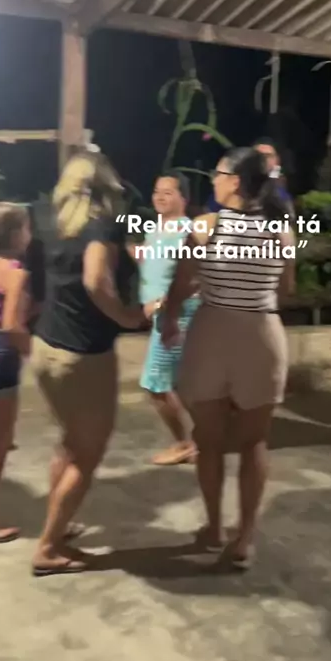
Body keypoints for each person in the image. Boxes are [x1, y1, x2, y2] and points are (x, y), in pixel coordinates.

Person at [161, 147, 295, 569]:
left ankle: (215, 526)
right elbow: (287, 289)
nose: (213, 181)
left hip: (212, 333)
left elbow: (181, 285)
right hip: (262, 335)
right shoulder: (281, 230)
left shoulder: (205, 227)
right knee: (254, 442)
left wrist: (168, 318)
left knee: (209, 439)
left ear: (235, 182)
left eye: (217, 174)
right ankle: (244, 538)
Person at [30, 151, 144, 577]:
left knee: (69, 442)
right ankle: (47, 548)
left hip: (47, 346)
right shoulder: (100, 224)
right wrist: (128, 317)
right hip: (84, 355)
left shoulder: (53, 221)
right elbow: (96, 280)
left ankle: (58, 527)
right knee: (87, 454)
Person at [136, 171, 198, 466]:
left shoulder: (189, 232)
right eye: (156, 191)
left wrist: (162, 303)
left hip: (177, 315)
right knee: (179, 384)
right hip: (162, 317)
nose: (159, 197)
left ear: (183, 198)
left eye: (168, 192)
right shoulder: (156, 229)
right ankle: (201, 441)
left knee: (156, 385)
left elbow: (196, 279)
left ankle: (185, 444)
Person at [0, 203, 31, 543]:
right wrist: (29, 350)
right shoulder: (14, 272)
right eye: (26, 228)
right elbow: (12, 324)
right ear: (14, 235)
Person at [205, 138, 294, 217]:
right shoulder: (225, 188)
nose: (263, 160)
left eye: (268, 156)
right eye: (258, 156)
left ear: (277, 160)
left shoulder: (280, 193)